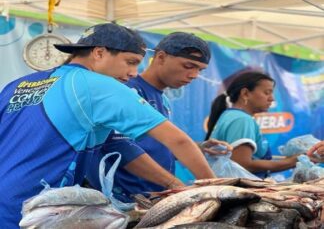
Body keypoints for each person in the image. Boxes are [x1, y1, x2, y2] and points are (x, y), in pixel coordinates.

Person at [0, 23, 216, 228]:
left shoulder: (18, 84)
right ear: (99, 53)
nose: (134, 73)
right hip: (33, 212)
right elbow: (176, 139)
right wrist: (216, 190)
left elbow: (115, 144)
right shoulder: (99, 85)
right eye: (130, 62)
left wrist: (172, 183)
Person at [86, 32, 230, 202]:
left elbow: (153, 145)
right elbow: (120, 146)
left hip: (155, 196)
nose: (194, 75)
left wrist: (198, 147)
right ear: (160, 57)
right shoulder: (127, 91)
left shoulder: (163, 99)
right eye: (188, 66)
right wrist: (209, 186)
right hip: (126, 199)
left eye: (200, 69)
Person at [205, 69, 299, 179]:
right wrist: (292, 161)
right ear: (245, 93)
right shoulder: (242, 120)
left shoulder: (232, 115)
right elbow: (244, 164)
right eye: (267, 93)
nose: (272, 99)